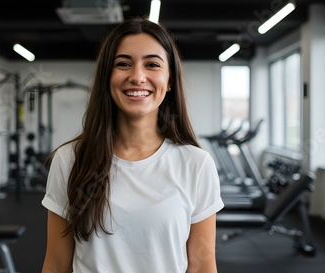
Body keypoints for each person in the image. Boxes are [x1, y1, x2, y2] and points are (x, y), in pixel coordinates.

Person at [41, 16, 224, 273]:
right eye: (124, 64)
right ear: (107, 77)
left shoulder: (196, 164)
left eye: (152, 64)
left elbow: (202, 265)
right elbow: (56, 265)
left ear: (170, 80)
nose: (138, 76)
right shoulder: (70, 159)